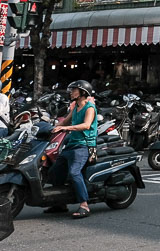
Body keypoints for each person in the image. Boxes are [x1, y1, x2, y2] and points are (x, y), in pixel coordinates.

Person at [47, 80, 98, 218]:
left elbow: (86, 125)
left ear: (83, 92)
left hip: (83, 145)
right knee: (54, 171)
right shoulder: (75, 107)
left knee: (75, 172)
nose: (71, 92)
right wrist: (51, 127)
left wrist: (65, 128)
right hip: (71, 145)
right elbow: (65, 121)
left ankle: (84, 205)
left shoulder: (89, 108)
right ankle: (60, 203)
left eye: (74, 90)